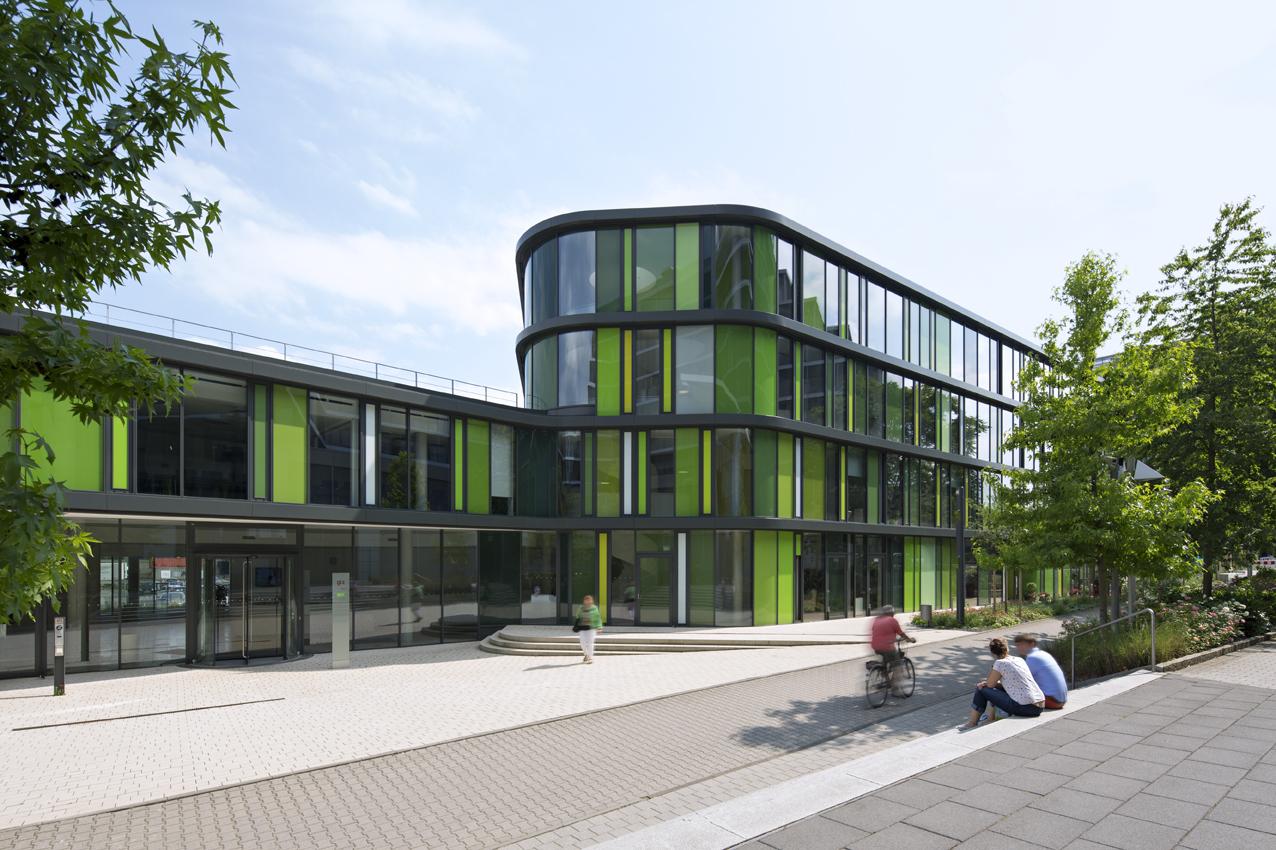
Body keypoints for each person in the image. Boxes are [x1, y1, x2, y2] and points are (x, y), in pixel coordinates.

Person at [965, 637, 1044, 727]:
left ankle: (972, 723)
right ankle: (991, 718)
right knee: (996, 688)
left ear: (993, 653)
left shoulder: (1000, 663)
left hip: (1026, 708)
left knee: (981, 689)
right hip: (1040, 705)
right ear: (1007, 648)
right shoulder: (1019, 659)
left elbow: (990, 685)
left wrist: (985, 683)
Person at [1014, 634, 1068, 709]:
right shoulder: (1043, 654)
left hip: (1052, 701)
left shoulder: (1032, 658)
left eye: (1021, 645)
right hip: (1062, 700)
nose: (1018, 648)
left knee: (1013, 690)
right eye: (1017, 645)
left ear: (1032, 644)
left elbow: (1022, 680)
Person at [871, 605, 916, 692]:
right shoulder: (892, 621)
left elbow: (876, 632)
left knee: (885, 662)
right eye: (893, 613)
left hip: (875, 646)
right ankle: (895, 690)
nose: (893, 615)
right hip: (887, 647)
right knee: (898, 665)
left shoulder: (877, 620)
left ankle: (886, 678)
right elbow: (901, 633)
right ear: (891, 613)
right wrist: (910, 640)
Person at [574, 595, 603, 664]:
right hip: (582, 628)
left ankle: (590, 657)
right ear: (584, 601)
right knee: (582, 643)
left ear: (591, 601)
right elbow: (577, 616)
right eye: (586, 600)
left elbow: (598, 618)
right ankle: (586, 655)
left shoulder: (594, 608)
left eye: (589, 600)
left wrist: (599, 627)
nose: (587, 602)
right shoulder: (581, 608)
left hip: (591, 628)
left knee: (590, 643)